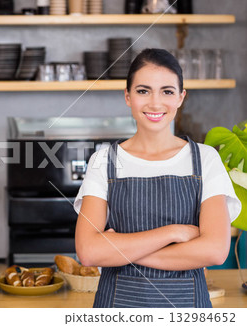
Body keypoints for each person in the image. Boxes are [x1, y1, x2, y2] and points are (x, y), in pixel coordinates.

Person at [74, 48, 241, 308]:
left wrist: (120, 250)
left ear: (181, 98)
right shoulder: (104, 161)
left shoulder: (206, 159)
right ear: (127, 96)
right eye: (143, 91)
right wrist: (173, 232)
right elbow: (89, 252)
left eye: (167, 91)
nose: (155, 102)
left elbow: (215, 251)